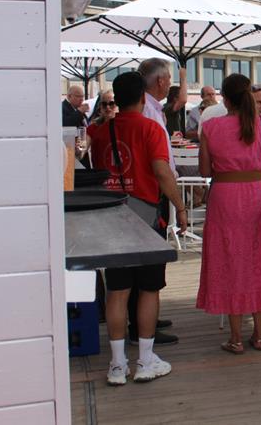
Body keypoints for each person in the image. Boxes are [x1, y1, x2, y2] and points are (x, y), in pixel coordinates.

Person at [87, 72, 187, 385]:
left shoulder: (100, 130)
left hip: (111, 217)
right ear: (143, 97)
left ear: (115, 98)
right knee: (148, 290)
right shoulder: (151, 128)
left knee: (117, 291)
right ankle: (144, 360)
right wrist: (180, 208)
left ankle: (117, 366)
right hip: (144, 218)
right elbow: (161, 171)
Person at [197, 73, 261, 353]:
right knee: (258, 261)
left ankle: (235, 337)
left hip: (225, 198)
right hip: (257, 195)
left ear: (225, 98)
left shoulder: (210, 127)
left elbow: (205, 171)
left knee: (229, 262)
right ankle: (259, 334)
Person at [135, 57, 179, 345]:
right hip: (151, 193)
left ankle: (147, 314)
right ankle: (143, 321)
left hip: (149, 192)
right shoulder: (149, 111)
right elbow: (158, 161)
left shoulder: (152, 108)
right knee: (150, 263)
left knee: (152, 261)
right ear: (161, 81)